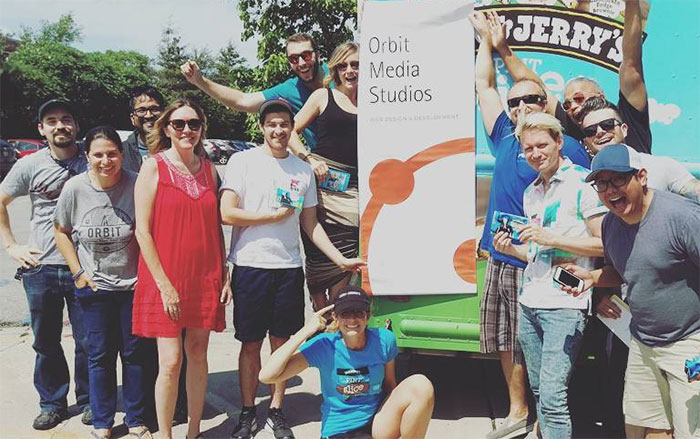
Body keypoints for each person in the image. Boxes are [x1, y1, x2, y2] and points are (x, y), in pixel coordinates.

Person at [469, 12, 591, 439]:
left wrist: (505, 49)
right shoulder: (505, 133)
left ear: (545, 105)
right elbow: (485, 86)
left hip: (541, 260)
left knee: (540, 348)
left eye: (530, 100)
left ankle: (545, 416)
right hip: (504, 254)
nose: (521, 107)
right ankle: (518, 411)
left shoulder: (564, 147)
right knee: (506, 340)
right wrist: (486, 41)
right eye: (515, 102)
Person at [220, 98, 365, 439]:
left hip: (288, 267)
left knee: (282, 343)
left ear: (292, 128)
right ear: (261, 127)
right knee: (250, 344)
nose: (278, 130)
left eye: (284, 124)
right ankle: (247, 411)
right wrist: (270, 217)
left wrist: (340, 260)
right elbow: (227, 213)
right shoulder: (243, 161)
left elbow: (311, 224)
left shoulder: (302, 171)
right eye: (272, 124)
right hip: (251, 265)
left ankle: (276, 410)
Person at [562, 145, 700, 439]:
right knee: (644, 429)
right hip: (643, 342)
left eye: (619, 179)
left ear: (642, 176)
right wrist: (592, 278)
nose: (610, 190)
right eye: (602, 183)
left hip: (690, 343)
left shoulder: (683, 218)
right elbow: (624, 269)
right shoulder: (611, 225)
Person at [493, 112, 607, 439]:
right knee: (540, 390)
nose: (535, 154)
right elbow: (536, 252)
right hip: (530, 300)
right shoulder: (531, 191)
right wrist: (511, 248)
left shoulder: (583, 183)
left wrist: (552, 239)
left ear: (559, 142)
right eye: (528, 149)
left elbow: (604, 243)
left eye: (542, 145)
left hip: (565, 305)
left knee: (554, 397)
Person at [131, 99, 232, 439]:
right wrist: (164, 284)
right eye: (179, 123)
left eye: (194, 123)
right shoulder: (153, 167)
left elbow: (215, 226)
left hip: (204, 275)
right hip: (165, 278)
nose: (187, 129)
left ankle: (193, 431)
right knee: (171, 361)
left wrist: (224, 272)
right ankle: (166, 434)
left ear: (202, 128)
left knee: (198, 353)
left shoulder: (209, 169)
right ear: (166, 128)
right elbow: (142, 231)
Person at [53, 126, 151, 439]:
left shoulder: (137, 184)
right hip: (95, 289)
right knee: (99, 356)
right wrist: (78, 272)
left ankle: (136, 419)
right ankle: (102, 422)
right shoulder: (75, 188)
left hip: (133, 287)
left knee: (135, 356)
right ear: (87, 157)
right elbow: (61, 230)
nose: (106, 161)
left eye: (112, 154)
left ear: (122, 154)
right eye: (98, 155)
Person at [0, 99, 91, 430]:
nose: (60, 125)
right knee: (45, 341)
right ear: (41, 129)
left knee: (89, 340)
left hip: (85, 267)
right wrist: (12, 245)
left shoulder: (93, 159)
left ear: (76, 125)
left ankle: (90, 400)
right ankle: (52, 403)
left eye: (66, 119)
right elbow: (1, 200)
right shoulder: (30, 164)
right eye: (51, 121)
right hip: (41, 267)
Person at [259, 286, 435, 439]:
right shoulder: (324, 346)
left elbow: (390, 385)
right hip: (340, 429)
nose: (352, 320)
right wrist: (306, 331)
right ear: (336, 317)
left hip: (377, 422)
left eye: (358, 313)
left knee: (421, 384)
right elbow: (267, 376)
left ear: (367, 316)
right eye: (345, 313)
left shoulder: (384, 340)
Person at [481, 0, 652, 153]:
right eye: (567, 104)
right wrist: (503, 48)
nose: (573, 107)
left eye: (579, 98)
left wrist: (631, 3)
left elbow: (631, 62)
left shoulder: (627, 116)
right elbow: (536, 85)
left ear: (600, 97)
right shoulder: (571, 126)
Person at [287, 41, 360, 311]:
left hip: (354, 196)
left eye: (356, 65)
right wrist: (308, 158)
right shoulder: (322, 96)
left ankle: (334, 322)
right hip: (319, 191)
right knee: (318, 271)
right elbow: (290, 131)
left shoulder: (376, 101)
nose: (349, 71)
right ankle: (321, 325)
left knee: (344, 268)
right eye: (343, 65)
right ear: (335, 69)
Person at [181, 33, 328, 149]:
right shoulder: (290, 89)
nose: (301, 63)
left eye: (306, 56)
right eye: (294, 59)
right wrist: (201, 81)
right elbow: (242, 101)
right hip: (325, 166)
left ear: (317, 54)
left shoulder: (338, 74)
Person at [579, 98, 700, 203]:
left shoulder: (660, 166)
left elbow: (694, 189)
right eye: (590, 131)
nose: (600, 132)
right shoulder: (581, 183)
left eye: (607, 124)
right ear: (586, 142)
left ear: (624, 129)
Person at [122, 86, 166, 173]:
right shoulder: (121, 152)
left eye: (154, 109)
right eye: (141, 110)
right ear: (132, 118)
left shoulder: (177, 148)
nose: (148, 115)